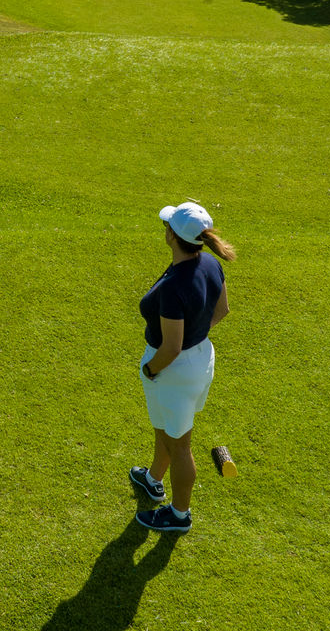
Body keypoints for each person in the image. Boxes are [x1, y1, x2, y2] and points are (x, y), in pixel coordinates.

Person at [128, 200, 233, 534]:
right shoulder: (210, 265)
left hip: (172, 369)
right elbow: (222, 310)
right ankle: (153, 479)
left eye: (167, 226)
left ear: (173, 236)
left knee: (181, 444)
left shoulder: (175, 288)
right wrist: (196, 335)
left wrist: (151, 369)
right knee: (167, 429)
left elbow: (171, 346)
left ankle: (179, 514)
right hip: (200, 358)